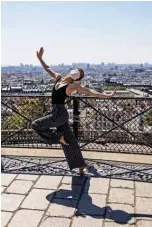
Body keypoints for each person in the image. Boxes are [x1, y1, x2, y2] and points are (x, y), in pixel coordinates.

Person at [31, 47, 116, 175]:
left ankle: (58, 137)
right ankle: (81, 165)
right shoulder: (59, 78)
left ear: (77, 79)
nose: (78, 72)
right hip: (57, 113)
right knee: (71, 142)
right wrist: (40, 58)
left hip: (59, 114)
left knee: (36, 125)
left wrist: (107, 96)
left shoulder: (72, 86)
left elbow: (90, 92)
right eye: (78, 70)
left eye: (80, 73)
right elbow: (48, 68)